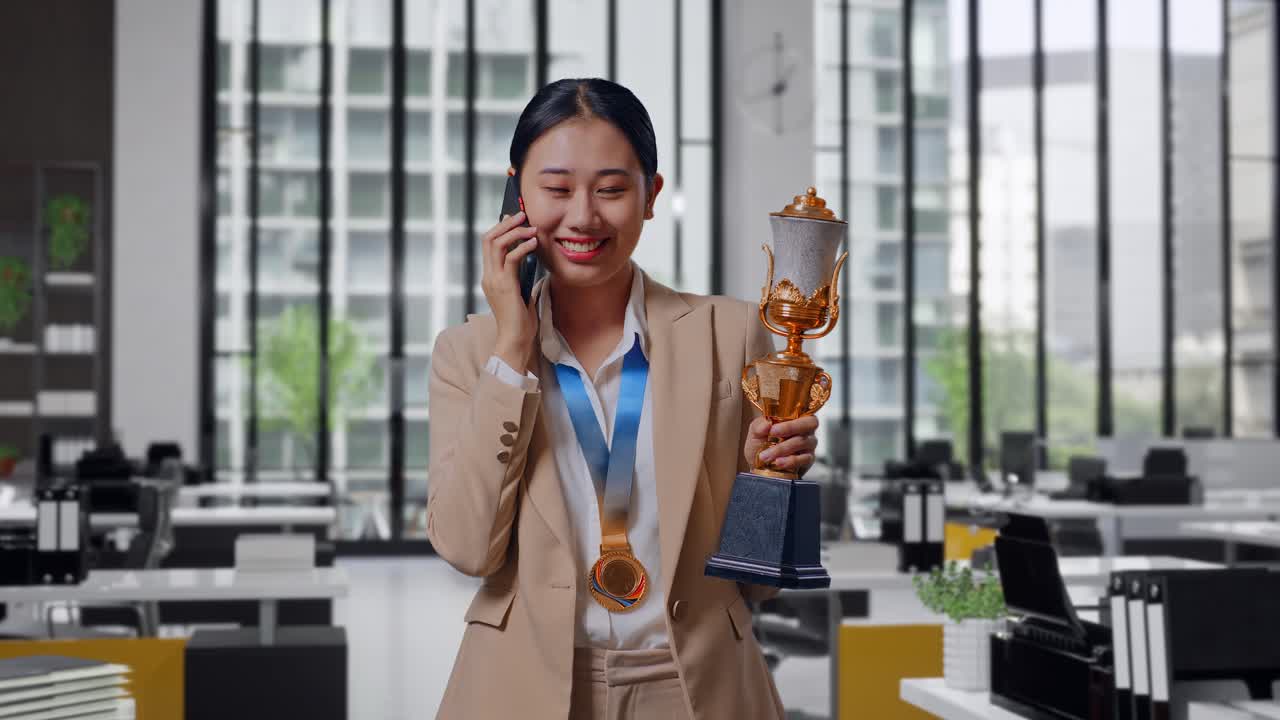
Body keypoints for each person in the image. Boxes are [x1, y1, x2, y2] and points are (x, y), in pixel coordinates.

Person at [427, 77, 819, 720]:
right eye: (556, 189)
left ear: (651, 195)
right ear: (516, 195)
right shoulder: (470, 355)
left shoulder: (732, 334)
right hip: (522, 690)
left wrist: (769, 480)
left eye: (611, 189)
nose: (583, 216)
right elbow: (467, 549)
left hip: (696, 690)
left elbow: (761, 582)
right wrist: (513, 347)